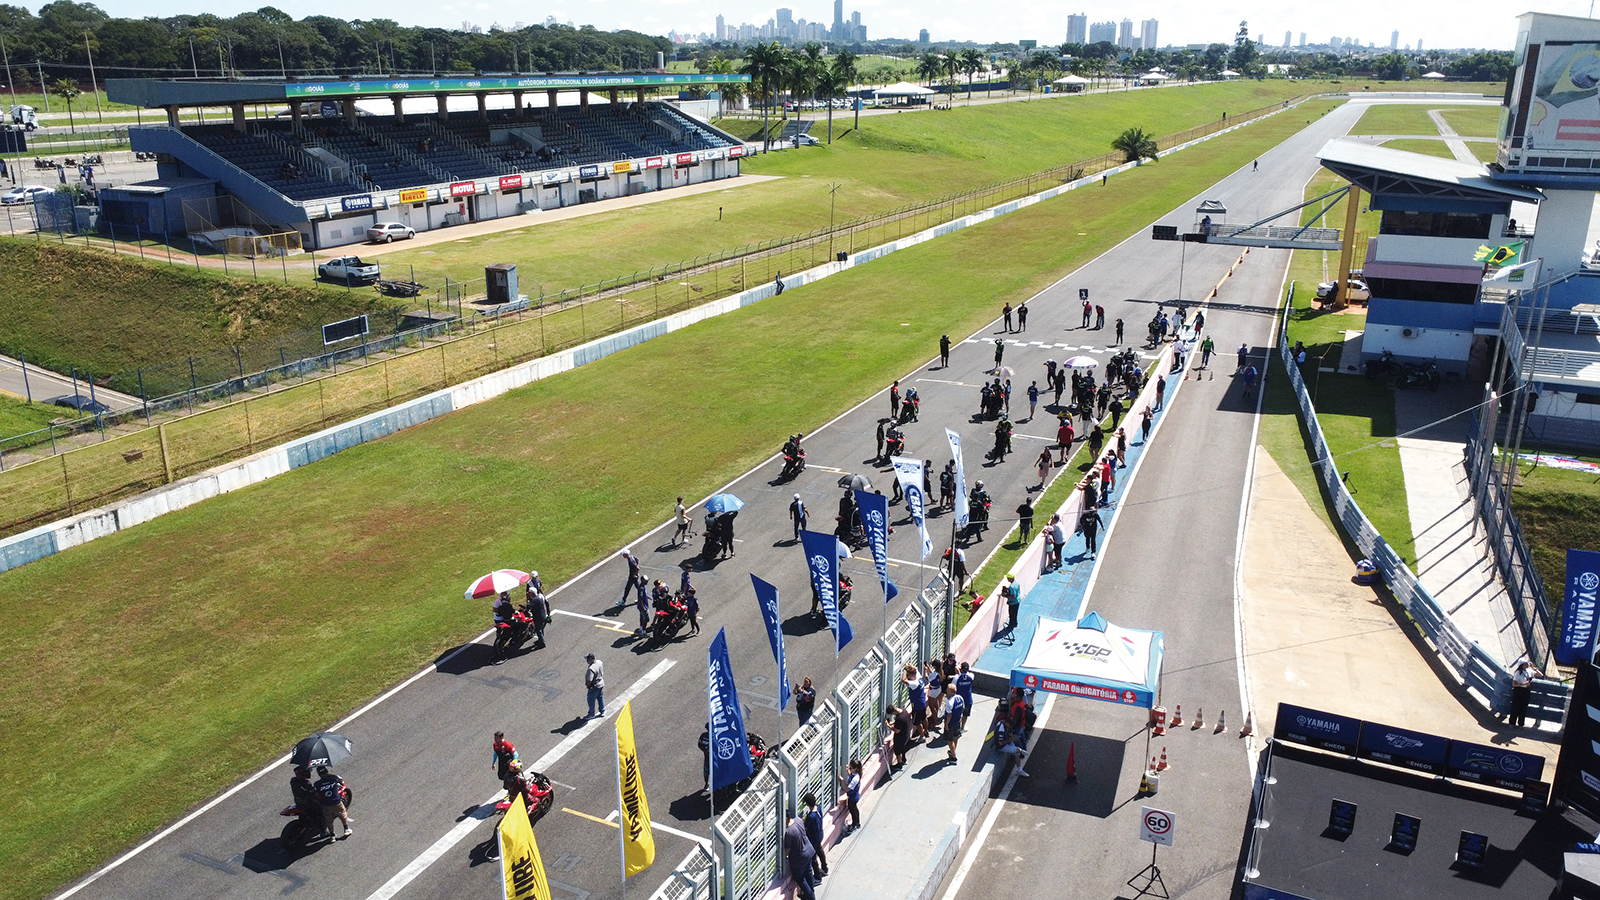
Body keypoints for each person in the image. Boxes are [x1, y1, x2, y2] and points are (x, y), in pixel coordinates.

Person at [784, 808, 817, 900]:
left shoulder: (788, 832)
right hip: (809, 850)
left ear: (786, 818)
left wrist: (784, 858)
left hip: (800, 856)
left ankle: (810, 897)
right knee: (808, 872)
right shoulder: (798, 820)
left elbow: (788, 849)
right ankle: (810, 893)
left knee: (799, 878)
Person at [314, 765, 353, 838]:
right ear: (326, 771)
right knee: (342, 813)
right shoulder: (334, 778)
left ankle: (332, 835)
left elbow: (316, 794)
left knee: (328, 819)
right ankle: (346, 829)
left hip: (326, 804)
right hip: (336, 801)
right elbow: (341, 781)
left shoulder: (317, 784)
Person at [803, 793, 829, 880]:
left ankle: (817, 875)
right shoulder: (819, 808)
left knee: (813, 857)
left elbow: (806, 826)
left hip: (813, 839)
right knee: (820, 851)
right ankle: (825, 867)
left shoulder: (811, 816)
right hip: (819, 835)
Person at [1510, 657, 1541, 728]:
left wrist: (1533, 668)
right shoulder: (1518, 673)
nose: (1527, 664)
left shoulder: (1529, 671)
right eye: (1526, 663)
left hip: (1526, 691)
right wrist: (1523, 684)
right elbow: (1514, 684)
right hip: (1518, 690)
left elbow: (1540, 674)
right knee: (1515, 707)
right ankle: (1512, 723)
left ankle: (1521, 723)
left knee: (1523, 707)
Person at [942, 684, 966, 761]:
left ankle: (954, 756)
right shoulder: (960, 697)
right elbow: (963, 709)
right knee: (955, 737)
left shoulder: (949, 702)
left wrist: (946, 724)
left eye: (947, 690)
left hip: (951, 723)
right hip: (957, 721)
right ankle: (953, 751)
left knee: (949, 740)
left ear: (951, 692)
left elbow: (949, 715)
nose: (946, 691)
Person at [904, 664, 928, 739]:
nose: (908, 677)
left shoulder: (914, 683)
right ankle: (926, 730)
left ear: (912, 676)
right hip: (922, 703)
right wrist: (910, 666)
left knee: (917, 722)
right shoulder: (919, 678)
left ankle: (922, 736)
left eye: (909, 676)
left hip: (916, 705)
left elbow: (903, 680)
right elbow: (916, 669)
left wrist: (904, 671)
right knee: (924, 718)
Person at [840, 759, 863, 835]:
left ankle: (854, 825)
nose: (850, 769)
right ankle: (857, 823)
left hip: (852, 797)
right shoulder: (855, 775)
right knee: (855, 809)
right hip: (854, 796)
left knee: (852, 810)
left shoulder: (855, 779)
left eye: (851, 768)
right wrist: (848, 771)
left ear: (855, 769)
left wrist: (842, 780)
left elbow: (847, 788)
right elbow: (851, 776)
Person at [585, 653, 605, 718]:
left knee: (590, 700)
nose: (586, 661)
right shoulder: (599, 662)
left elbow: (589, 680)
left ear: (591, 659)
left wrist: (588, 685)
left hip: (594, 686)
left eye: (587, 659)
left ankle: (591, 714)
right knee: (600, 698)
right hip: (601, 683)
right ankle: (602, 711)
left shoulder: (591, 669)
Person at [955, 663, 974, 727]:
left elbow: (953, 686)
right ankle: (962, 727)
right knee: (965, 714)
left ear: (961, 669)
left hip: (958, 700)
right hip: (968, 699)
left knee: (957, 714)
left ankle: (956, 727)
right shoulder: (971, 676)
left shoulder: (956, 677)